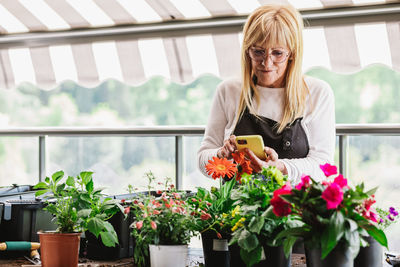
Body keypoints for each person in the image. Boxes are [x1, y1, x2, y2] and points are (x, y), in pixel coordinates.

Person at [197, 4, 335, 182]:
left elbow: (323, 166)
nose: (267, 63)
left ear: (292, 53)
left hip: (293, 207)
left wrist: (280, 167)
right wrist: (221, 154)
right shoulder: (229, 91)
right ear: (247, 50)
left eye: (277, 53)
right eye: (258, 52)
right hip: (235, 208)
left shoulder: (317, 93)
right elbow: (202, 162)